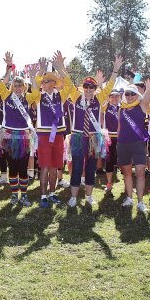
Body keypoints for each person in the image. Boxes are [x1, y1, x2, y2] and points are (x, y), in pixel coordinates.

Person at [65, 56, 123, 207]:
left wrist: (115, 69)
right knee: (77, 167)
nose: (89, 90)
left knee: (91, 167)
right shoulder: (77, 96)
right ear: (83, 87)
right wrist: (60, 68)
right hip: (78, 136)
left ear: (95, 88)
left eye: (91, 87)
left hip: (94, 138)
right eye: (86, 87)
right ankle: (73, 197)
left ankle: (89, 196)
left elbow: (110, 85)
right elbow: (67, 82)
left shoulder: (100, 97)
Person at [0, 52, 41, 207]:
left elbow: (36, 93)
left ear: (24, 87)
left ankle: (23, 195)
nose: (17, 88)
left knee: (23, 168)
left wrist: (32, 75)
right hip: (8, 136)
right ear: (12, 86)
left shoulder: (28, 98)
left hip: (23, 137)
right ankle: (13, 195)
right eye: (15, 85)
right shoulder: (6, 95)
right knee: (12, 167)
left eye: (20, 85)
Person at [117, 61, 150, 213]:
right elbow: (119, 127)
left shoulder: (142, 105)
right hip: (123, 144)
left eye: (132, 94)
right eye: (127, 94)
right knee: (127, 172)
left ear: (137, 95)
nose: (129, 96)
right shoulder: (122, 109)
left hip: (137, 144)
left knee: (140, 172)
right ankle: (129, 197)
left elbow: (149, 92)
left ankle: (140, 201)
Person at [34, 51, 73, 208]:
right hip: (44, 135)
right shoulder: (38, 95)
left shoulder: (60, 95)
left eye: (49, 81)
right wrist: (39, 71)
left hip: (58, 134)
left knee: (54, 166)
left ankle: (52, 193)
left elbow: (69, 84)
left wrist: (61, 67)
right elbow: (34, 84)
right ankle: (43, 195)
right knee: (44, 166)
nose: (46, 83)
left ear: (54, 83)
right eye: (44, 81)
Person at [102, 88, 121, 193]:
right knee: (109, 161)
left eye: (117, 96)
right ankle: (109, 183)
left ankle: (128, 184)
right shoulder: (105, 107)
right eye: (112, 96)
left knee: (122, 161)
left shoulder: (123, 107)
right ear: (109, 98)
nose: (114, 98)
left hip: (121, 138)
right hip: (109, 138)